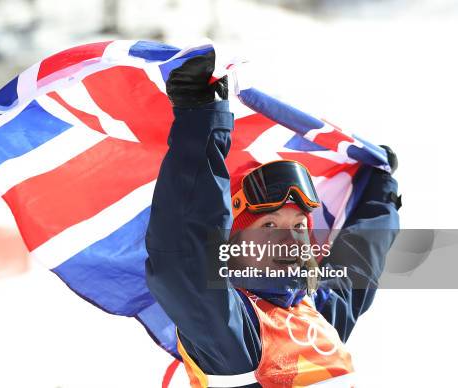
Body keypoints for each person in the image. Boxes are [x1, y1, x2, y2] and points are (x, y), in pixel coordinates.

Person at [145, 50, 401, 388]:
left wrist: (379, 189)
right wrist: (200, 118)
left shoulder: (318, 314)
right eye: (269, 225)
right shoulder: (232, 331)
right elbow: (183, 258)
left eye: (298, 226)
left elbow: (360, 260)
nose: (291, 239)